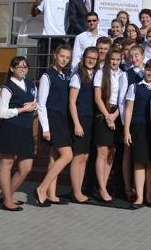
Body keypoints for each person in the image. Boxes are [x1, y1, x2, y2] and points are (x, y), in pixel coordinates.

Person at [33, 45, 74, 206]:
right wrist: (46, 128)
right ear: (55, 55)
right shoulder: (47, 76)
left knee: (54, 156)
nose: (64, 59)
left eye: (67, 57)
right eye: (62, 56)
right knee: (67, 155)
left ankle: (51, 194)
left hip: (64, 118)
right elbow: (41, 104)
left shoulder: (66, 75)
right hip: (53, 119)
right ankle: (42, 189)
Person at [0, 56, 36, 212]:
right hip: (11, 128)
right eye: (19, 66)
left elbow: (35, 104)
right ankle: (7, 200)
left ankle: (7, 196)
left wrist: (35, 105)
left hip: (26, 129)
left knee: (26, 166)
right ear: (12, 69)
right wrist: (22, 109)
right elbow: (1, 112)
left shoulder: (30, 84)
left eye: (25, 66)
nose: (23, 69)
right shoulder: (7, 87)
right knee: (7, 164)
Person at [123, 58, 151, 208]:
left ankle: (149, 196)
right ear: (144, 69)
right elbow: (128, 110)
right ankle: (139, 197)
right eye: (148, 69)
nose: (150, 73)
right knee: (139, 162)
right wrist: (126, 131)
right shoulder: (134, 87)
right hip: (138, 127)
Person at [93, 47, 125, 203]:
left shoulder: (123, 74)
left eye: (118, 60)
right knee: (102, 152)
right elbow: (97, 98)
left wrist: (114, 116)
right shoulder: (101, 73)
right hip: (103, 113)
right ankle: (102, 188)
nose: (115, 62)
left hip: (116, 114)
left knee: (111, 152)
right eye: (113, 59)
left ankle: (103, 187)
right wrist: (107, 116)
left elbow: (123, 99)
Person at [68, 47, 98, 204]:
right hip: (80, 119)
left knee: (85, 156)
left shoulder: (95, 74)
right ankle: (76, 192)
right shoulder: (77, 75)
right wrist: (76, 124)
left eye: (94, 58)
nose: (91, 60)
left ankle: (78, 189)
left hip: (90, 119)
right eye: (89, 57)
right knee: (78, 156)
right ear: (84, 58)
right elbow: (72, 102)